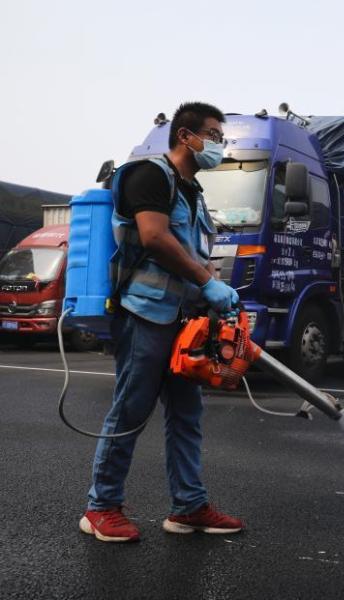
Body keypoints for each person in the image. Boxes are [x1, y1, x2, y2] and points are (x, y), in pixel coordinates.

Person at [79, 102, 243, 543]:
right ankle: (101, 507)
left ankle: (188, 507)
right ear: (186, 135)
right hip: (145, 314)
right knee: (130, 410)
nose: (218, 146)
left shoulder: (193, 193)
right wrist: (206, 281)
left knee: (187, 415)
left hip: (185, 319)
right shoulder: (150, 174)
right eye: (213, 135)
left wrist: (211, 298)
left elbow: (191, 250)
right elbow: (153, 236)